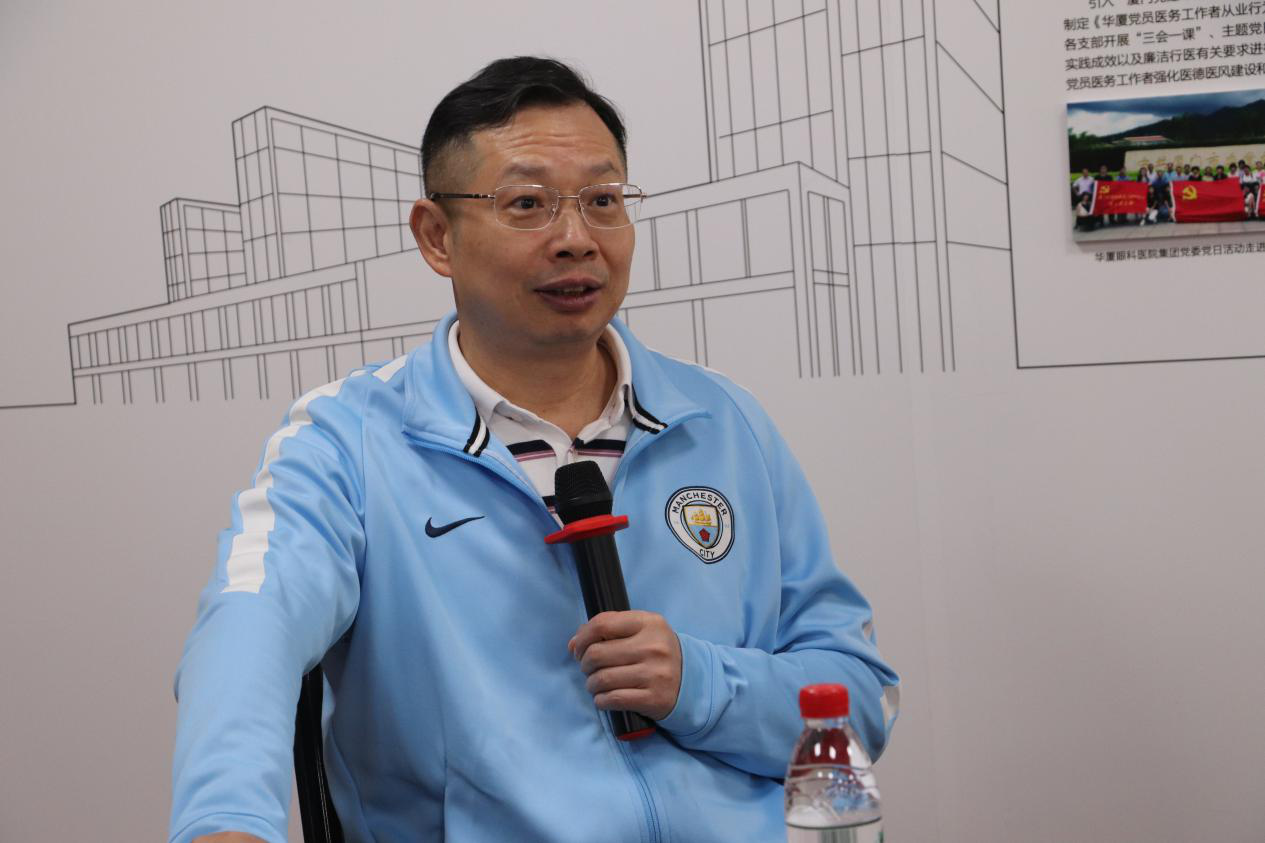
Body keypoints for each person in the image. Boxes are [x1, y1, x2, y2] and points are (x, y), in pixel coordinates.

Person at [168, 57, 899, 843]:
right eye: (527, 204)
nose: (576, 239)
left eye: (602, 201)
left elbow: (857, 701)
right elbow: (250, 627)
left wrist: (698, 683)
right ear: (437, 236)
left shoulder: (722, 422)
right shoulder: (349, 438)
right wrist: (224, 820)